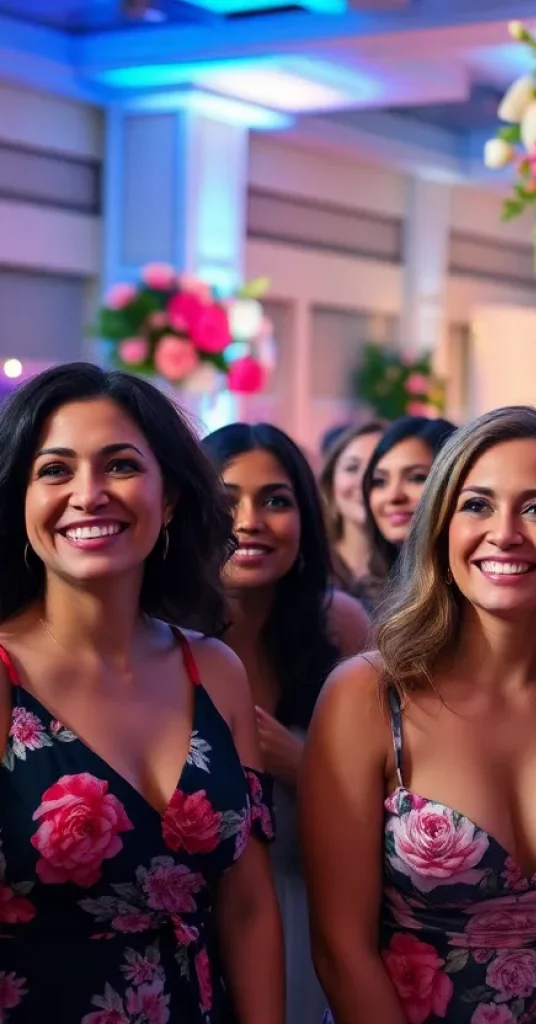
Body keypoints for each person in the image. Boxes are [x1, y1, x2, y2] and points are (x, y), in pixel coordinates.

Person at [301, 406, 536, 1024]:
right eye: (477, 505)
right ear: (440, 528)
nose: (505, 532)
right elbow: (339, 948)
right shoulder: (369, 696)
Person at [0, 364, 282, 1023]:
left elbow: (248, 908)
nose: (89, 493)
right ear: (19, 500)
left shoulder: (212, 669)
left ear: (172, 498)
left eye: (120, 466)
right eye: (55, 470)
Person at [203, 422, 370, 1024]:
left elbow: (406, 798)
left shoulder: (342, 628)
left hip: (313, 916)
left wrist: (303, 765)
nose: (249, 521)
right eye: (226, 502)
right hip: (194, 927)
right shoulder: (158, 640)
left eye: (276, 500)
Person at [361, 414, 457, 608]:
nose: (394, 496)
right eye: (380, 481)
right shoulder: (364, 597)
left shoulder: (475, 593)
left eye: (416, 478)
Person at [318, 420, 385, 595]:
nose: (364, 481)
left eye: (378, 469)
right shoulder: (306, 565)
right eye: (352, 468)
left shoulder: (418, 573)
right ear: (330, 484)